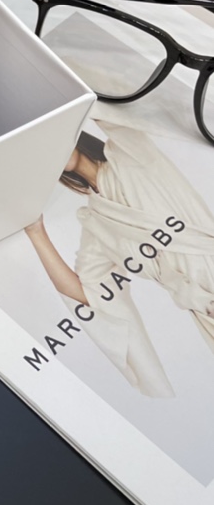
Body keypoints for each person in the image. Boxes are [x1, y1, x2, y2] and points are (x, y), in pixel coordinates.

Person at [24, 126, 214, 397]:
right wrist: (36, 232)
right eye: (39, 156)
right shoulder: (95, 222)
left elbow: (119, 108)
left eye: (49, 140)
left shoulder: (128, 151)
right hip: (205, 310)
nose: (50, 153)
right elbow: (88, 295)